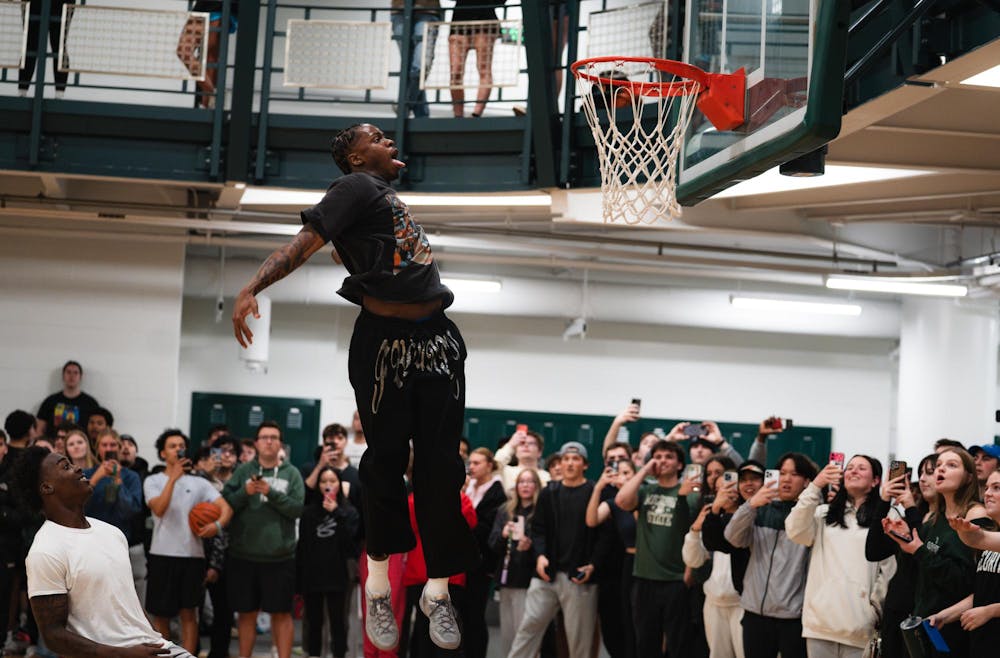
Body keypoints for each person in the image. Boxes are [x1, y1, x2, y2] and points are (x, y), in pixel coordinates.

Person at [231, 122, 477, 652]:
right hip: (385, 344)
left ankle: (437, 592)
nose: (390, 140)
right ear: (356, 158)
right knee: (385, 460)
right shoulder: (355, 187)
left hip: (436, 337)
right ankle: (381, 587)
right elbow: (306, 241)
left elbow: (346, 251)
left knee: (442, 465)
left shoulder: (376, 199)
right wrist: (253, 285)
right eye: (377, 137)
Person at [14, 446, 197, 657]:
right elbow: (52, 635)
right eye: (66, 466)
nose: (78, 468)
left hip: (152, 646)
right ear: (47, 487)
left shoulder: (112, 533)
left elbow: (128, 603)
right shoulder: (45, 550)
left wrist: (153, 635)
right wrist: (122, 654)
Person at [785, 455, 895, 657]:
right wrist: (816, 485)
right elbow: (794, 530)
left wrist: (874, 611)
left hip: (860, 627)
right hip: (820, 624)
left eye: (862, 468)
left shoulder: (888, 517)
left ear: (875, 481)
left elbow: (889, 570)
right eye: (850, 467)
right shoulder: (823, 514)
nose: (853, 471)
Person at [882, 448, 988, 655]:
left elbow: (965, 581)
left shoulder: (975, 515)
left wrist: (919, 550)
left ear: (968, 477)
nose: (941, 469)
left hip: (955, 627)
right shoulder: (933, 519)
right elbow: (918, 575)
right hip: (925, 623)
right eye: (939, 465)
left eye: (951, 465)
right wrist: (906, 540)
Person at [508, 442, 609, 658]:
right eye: (566, 459)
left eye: (575, 459)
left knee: (579, 641)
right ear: (559, 464)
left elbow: (604, 536)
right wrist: (540, 555)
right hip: (546, 574)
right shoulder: (549, 492)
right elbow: (538, 529)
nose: (570, 463)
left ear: (585, 465)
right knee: (528, 628)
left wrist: (593, 565)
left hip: (579, 576)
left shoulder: (594, 491)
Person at [144, 429, 232, 654]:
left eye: (181, 444)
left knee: (189, 613)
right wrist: (173, 478)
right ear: (163, 453)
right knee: (161, 614)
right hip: (162, 554)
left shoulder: (200, 483)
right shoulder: (153, 480)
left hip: (193, 557)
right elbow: (159, 509)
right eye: (172, 446)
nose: (178, 448)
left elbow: (226, 509)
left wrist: (217, 526)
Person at [222, 421, 304, 658]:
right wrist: (244, 493)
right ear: (256, 443)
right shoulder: (243, 471)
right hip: (243, 556)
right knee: (246, 614)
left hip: (280, 558)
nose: (269, 441)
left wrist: (271, 492)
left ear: (280, 443)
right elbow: (226, 503)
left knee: (282, 614)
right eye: (264, 437)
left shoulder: (292, 473)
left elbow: (297, 509)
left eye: (274, 437)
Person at [724, 452, 818, 658]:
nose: (786, 479)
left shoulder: (813, 516)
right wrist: (750, 505)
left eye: (794, 474)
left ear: (806, 482)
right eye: (782, 473)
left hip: (793, 617)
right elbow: (733, 538)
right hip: (754, 613)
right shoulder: (761, 510)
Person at [615, 439, 700, 658]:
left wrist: (689, 571)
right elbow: (621, 501)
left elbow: (696, 535)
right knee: (645, 643)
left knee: (678, 644)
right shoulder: (646, 491)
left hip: (676, 579)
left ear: (680, 464)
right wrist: (644, 470)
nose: (662, 461)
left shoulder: (690, 493)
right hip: (644, 578)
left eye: (668, 457)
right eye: (658, 456)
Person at [865, 453, 936, 658]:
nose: (923, 478)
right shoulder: (913, 513)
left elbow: (923, 552)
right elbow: (873, 551)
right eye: (921, 472)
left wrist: (911, 508)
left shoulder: (945, 521)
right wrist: (884, 500)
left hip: (923, 613)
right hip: (896, 608)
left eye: (930, 472)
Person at [927, 469, 1000, 658]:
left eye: (997, 488)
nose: (988, 493)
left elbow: (978, 539)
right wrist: (945, 615)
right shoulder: (994, 537)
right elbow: (984, 591)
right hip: (983, 644)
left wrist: (991, 611)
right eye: (988, 487)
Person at [297, 466, 360, 658]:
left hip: (337, 574)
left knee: (338, 623)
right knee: (314, 623)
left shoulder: (349, 512)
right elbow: (303, 546)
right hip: (313, 574)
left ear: (340, 485)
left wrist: (337, 514)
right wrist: (299, 579)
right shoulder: (308, 513)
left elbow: (351, 546)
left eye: (332, 481)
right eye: (324, 481)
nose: (328, 486)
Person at [490, 468, 542, 657]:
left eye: (530, 482)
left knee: (525, 633)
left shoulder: (541, 511)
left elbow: (547, 543)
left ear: (536, 486)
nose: (525, 485)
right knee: (508, 633)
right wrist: (504, 535)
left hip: (530, 578)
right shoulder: (505, 510)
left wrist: (530, 546)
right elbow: (493, 544)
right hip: (506, 576)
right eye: (522, 481)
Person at [463, 447, 506, 658]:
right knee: (458, 615)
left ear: (490, 465)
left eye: (476, 463)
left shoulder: (497, 492)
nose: (471, 467)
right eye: (470, 463)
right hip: (459, 560)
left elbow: (485, 529)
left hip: (480, 562)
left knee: (474, 616)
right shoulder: (466, 487)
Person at [84, 429, 144, 550]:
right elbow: (78, 506)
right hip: (90, 537)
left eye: (113, 445)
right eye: (104, 445)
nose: (108, 449)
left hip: (119, 537)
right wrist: (95, 479)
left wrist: (118, 480)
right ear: (97, 448)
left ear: (119, 448)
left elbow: (132, 510)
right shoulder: (87, 474)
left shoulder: (131, 476)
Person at [448, 0, 502, 117]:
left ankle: (476, 114)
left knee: (483, 68)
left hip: (485, 18)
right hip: (460, 18)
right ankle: (458, 117)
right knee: (455, 72)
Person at [391, 0, 442, 118]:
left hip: (428, 10)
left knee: (421, 65)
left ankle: (404, 105)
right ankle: (422, 115)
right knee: (408, 67)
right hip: (400, 11)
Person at [36, 361, 99, 436]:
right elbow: (39, 429)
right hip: (53, 445)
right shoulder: (50, 401)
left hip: (80, 446)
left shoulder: (90, 403)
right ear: (63, 376)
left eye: (75, 373)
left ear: (80, 377)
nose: (72, 376)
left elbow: (97, 429)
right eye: (68, 372)